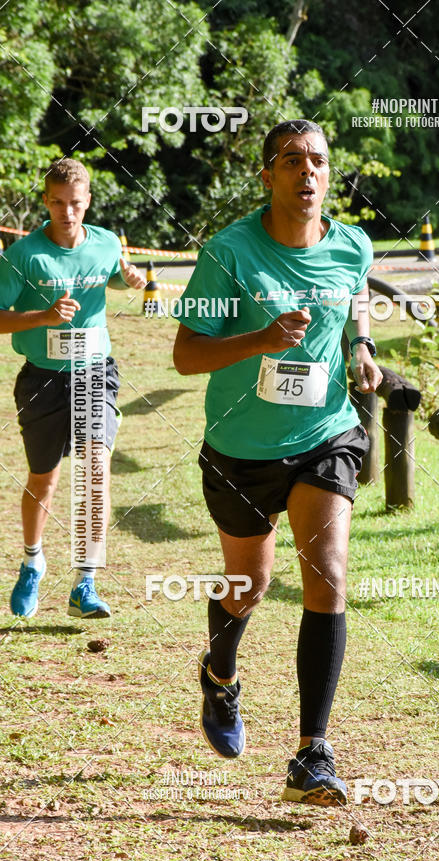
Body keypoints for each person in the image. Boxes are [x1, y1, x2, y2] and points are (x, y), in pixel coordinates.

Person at [172, 119, 382, 806]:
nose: (307, 172)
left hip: (326, 434)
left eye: (317, 160)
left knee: (328, 574)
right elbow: (185, 354)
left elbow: (355, 303)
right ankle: (220, 672)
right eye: (291, 160)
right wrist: (261, 336)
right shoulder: (229, 252)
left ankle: (311, 752)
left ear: (329, 172)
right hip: (241, 449)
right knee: (249, 583)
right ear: (268, 175)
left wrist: (361, 350)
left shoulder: (352, 244)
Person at [0, 158, 145, 619]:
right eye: (59, 203)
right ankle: (32, 561)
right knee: (44, 479)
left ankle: (85, 582)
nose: (68, 213)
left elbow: (115, 273)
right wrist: (42, 317)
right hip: (42, 377)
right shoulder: (22, 256)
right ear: (46, 201)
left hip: (93, 371)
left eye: (76, 204)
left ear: (87, 203)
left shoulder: (104, 241)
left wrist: (131, 278)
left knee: (95, 470)